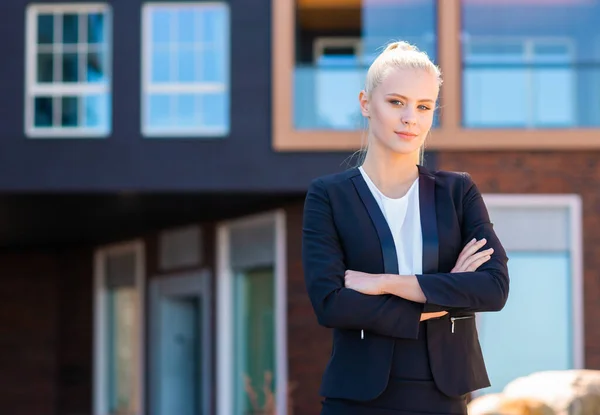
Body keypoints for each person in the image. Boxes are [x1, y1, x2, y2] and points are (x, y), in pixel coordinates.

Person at [302, 40, 510, 415]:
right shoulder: (328, 196)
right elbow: (331, 304)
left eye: (424, 106)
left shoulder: (458, 191)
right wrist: (445, 293)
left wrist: (385, 284)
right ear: (366, 103)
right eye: (396, 102)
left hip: (444, 398)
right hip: (356, 401)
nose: (410, 117)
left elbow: (493, 288)